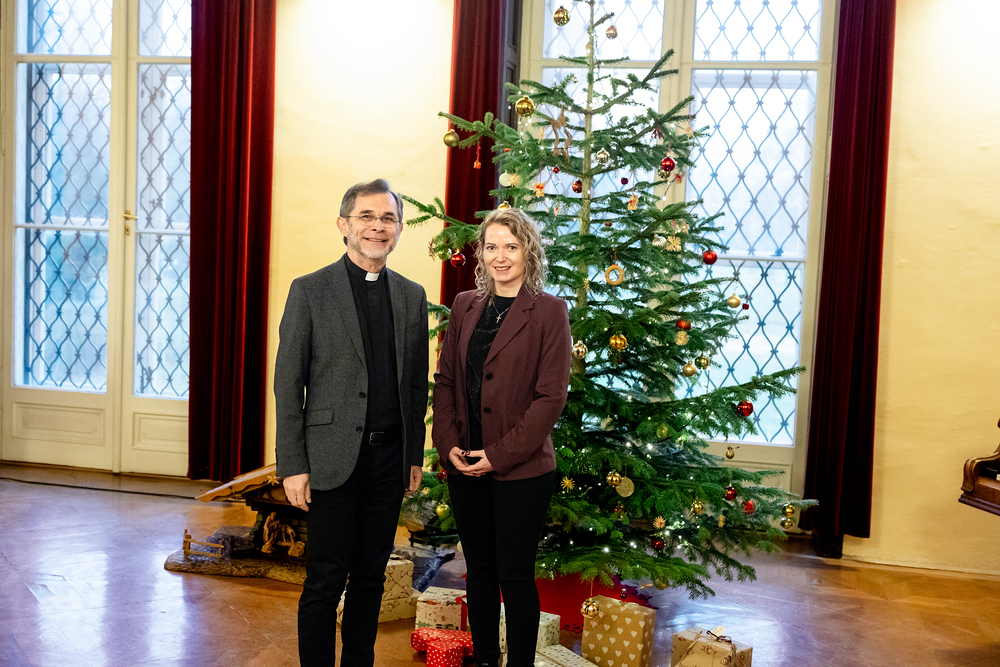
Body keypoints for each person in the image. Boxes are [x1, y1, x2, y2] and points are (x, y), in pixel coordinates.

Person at [274, 178, 428, 667]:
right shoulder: (309, 290)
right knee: (324, 580)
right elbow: (287, 383)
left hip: (389, 462)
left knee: (370, 579)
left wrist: (413, 455)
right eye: (366, 216)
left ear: (399, 228)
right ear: (344, 224)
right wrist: (292, 463)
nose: (377, 227)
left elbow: (416, 385)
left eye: (387, 218)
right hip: (331, 459)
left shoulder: (411, 295)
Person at [432, 207, 571, 667]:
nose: (501, 256)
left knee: (513, 575)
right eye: (492, 247)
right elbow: (446, 381)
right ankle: (486, 659)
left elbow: (550, 398)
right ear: (482, 253)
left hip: (521, 470)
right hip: (465, 463)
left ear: (529, 251)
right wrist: (447, 443)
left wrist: (498, 454)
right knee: (479, 571)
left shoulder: (549, 311)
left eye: (511, 246)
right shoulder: (464, 305)